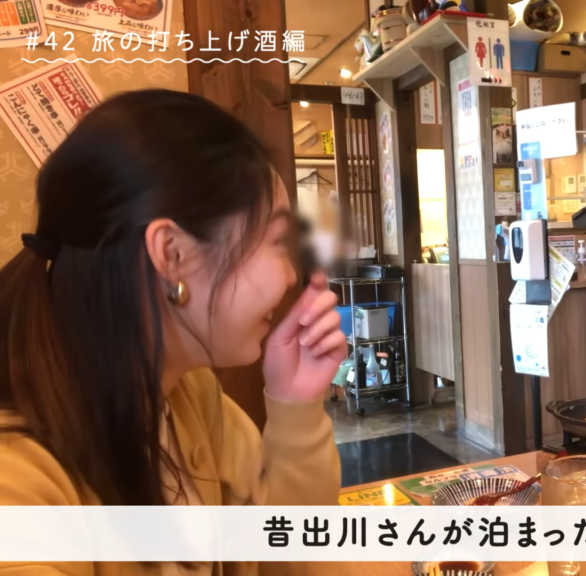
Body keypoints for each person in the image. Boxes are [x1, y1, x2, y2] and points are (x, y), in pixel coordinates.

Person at [0, 89, 345, 575]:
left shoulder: (191, 399)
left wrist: (295, 405)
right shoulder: (20, 479)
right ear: (172, 254)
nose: (290, 276)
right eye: (274, 241)